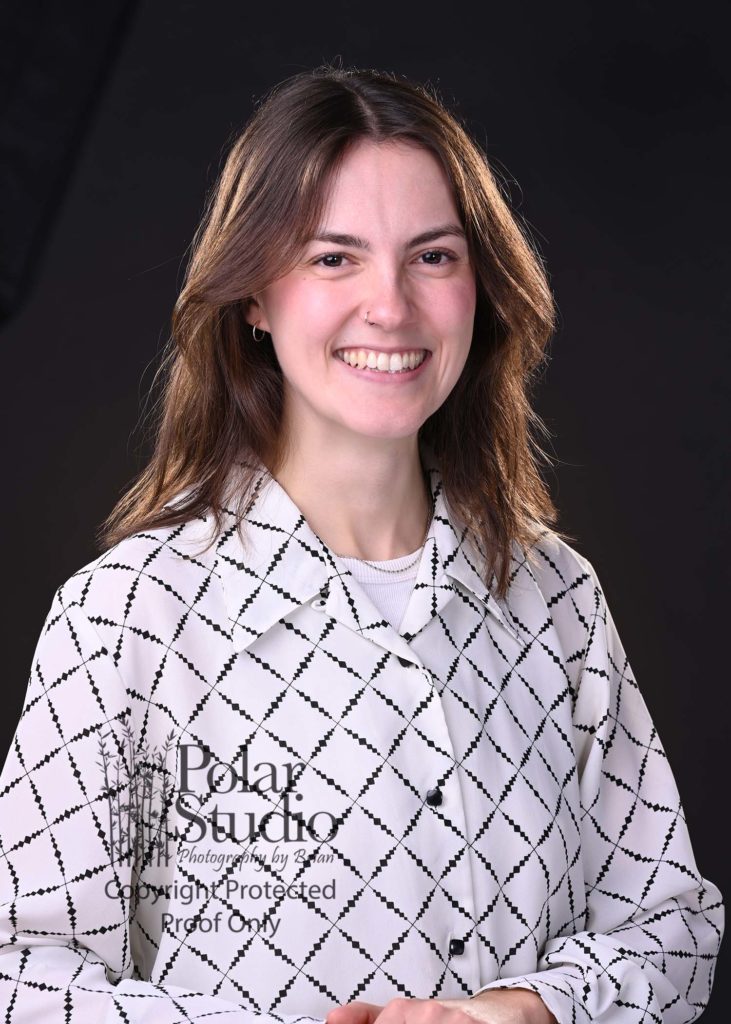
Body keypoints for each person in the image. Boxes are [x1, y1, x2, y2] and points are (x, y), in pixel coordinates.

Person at [0, 65, 723, 1024]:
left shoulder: (555, 596)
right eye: (333, 257)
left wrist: (524, 1010)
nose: (390, 306)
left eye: (433, 256)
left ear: (480, 287)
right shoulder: (125, 618)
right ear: (253, 297)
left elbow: (670, 925)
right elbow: (23, 973)